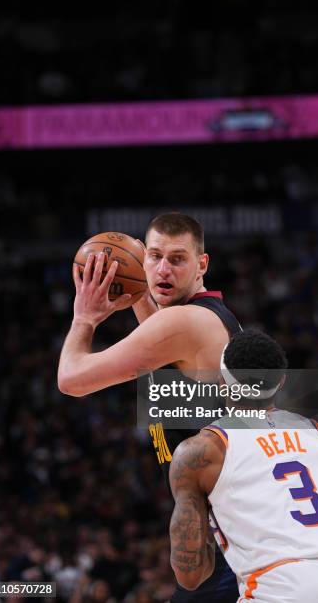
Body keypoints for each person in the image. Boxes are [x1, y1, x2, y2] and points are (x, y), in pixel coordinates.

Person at [58, 212, 241, 601]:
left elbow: (71, 380)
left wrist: (84, 318)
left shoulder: (186, 324)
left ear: (202, 264)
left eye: (177, 259)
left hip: (230, 539)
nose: (163, 268)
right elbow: (161, 349)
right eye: (154, 257)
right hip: (230, 532)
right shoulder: (207, 318)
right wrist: (142, 293)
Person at [169, 329, 318, 602]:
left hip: (278, 587)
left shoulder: (203, 451)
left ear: (222, 382)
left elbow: (191, 576)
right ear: (280, 382)